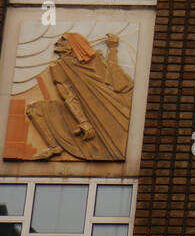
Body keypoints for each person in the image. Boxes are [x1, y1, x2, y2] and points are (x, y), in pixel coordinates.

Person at [27, 33, 133, 161]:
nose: (57, 43)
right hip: (86, 112)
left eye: (63, 40)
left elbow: (117, 80)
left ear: (74, 45)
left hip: (112, 105)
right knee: (34, 109)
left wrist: (113, 48)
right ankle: (54, 147)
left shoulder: (96, 58)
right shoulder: (59, 67)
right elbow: (68, 96)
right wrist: (83, 121)